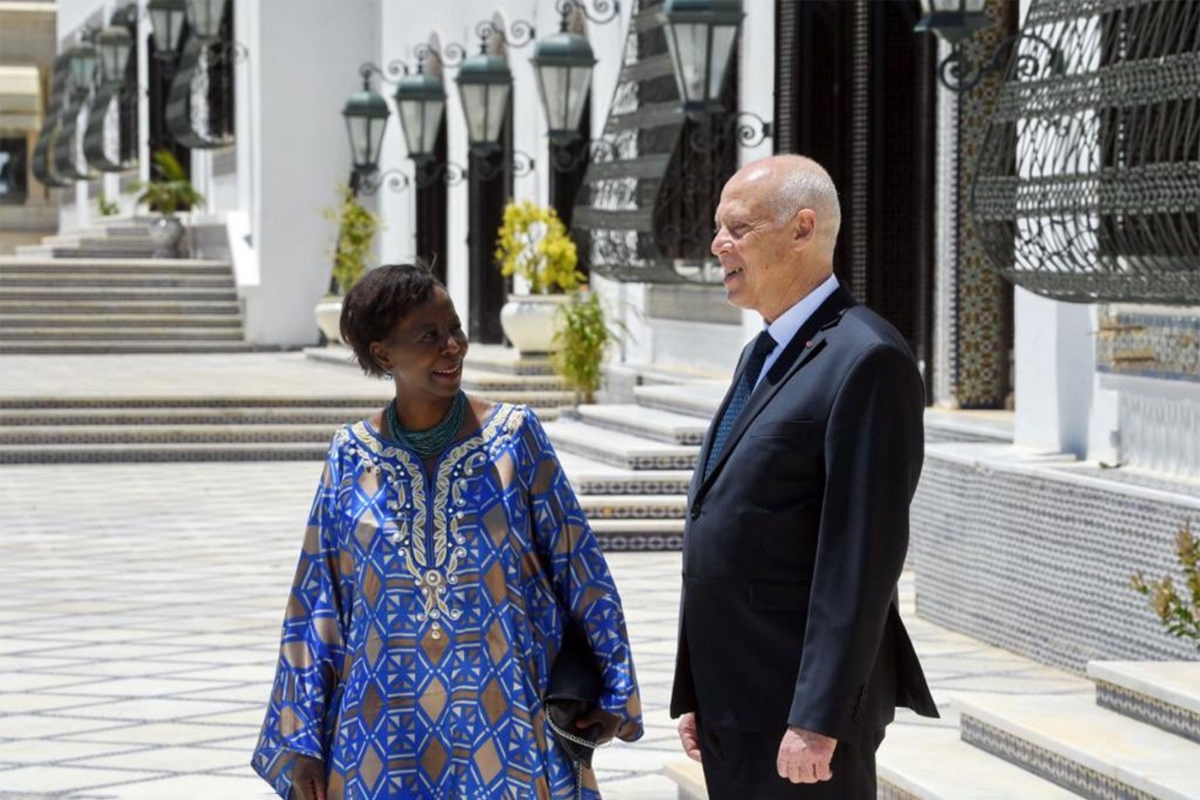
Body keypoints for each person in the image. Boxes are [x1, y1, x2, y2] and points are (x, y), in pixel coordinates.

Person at [253, 263, 643, 800]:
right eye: (429, 335)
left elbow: (581, 567)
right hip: (380, 733)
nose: (453, 346)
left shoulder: (514, 439)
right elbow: (317, 602)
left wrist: (615, 687)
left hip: (505, 724)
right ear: (383, 354)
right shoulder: (349, 456)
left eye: (454, 328)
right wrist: (302, 741)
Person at [670, 155, 939, 798]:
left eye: (738, 228)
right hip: (735, 696)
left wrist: (819, 717)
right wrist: (697, 687)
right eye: (718, 228)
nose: (718, 245)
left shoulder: (867, 358)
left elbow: (861, 557)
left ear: (802, 229)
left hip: (797, 708)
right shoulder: (761, 352)